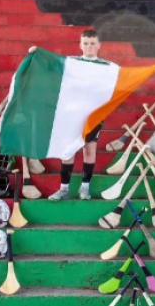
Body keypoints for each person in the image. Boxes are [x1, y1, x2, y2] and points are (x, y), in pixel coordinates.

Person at [29, 29, 106, 201]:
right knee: (68, 150)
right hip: (71, 113)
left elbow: (123, 78)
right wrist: (38, 53)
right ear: (80, 45)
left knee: (89, 149)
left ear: (99, 45)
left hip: (94, 115)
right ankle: (63, 189)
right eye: (86, 43)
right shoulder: (72, 62)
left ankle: (85, 188)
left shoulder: (107, 67)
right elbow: (52, 63)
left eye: (92, 43)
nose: (89, 46)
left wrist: (150, 70)